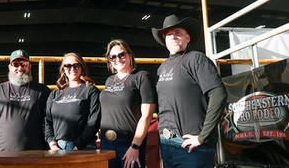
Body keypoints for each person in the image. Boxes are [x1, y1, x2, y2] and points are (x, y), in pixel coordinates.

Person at [152, 15, 228, 168]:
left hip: (192, 146)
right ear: (164, 40)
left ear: (188, 37)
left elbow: (219, 94)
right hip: (167, 143)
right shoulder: (162, 67)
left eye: (177, 32)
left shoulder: (197, 59)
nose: (173, 36)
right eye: (168, 34)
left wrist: (203, 136)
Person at [0, 49, 51, 151]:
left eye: (24, 64)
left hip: (36, 156)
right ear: (10, 67)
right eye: (16, 64)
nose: (20, 68)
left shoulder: (43, 91)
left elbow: (50, 122)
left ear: (29, 66)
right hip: (4, 156)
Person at [100, 39, 157, 168]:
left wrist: (135, 146)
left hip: (129, 143)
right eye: (112, 57)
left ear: (130, 55)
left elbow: (147, 116)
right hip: (106, 144)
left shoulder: (142, 77)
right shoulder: (110, 80)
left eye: (121, 55)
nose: (117, 59)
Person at [44, 52, 101, 150]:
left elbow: (93, 122)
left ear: (82, 67)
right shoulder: (55, 94)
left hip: (84, 147)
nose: (72, 69)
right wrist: (52, 144)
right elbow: (47, 121)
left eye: (76, 65)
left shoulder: (90, 91)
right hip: (58, 147)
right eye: (68, 66)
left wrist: (78, 145)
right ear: (63, 69)